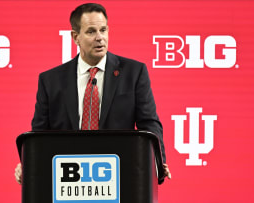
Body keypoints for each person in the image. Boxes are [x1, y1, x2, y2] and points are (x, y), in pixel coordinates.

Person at [15, 3, 171, 184]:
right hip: (68, 177)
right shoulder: (51, 80)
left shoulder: (134, 73)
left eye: (103, 30)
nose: (100, 38)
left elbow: (149, 123)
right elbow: (39, 135)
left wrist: (158, 163)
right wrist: (28, 162)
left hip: (118, 173)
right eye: (91, 32)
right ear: (76, 37)